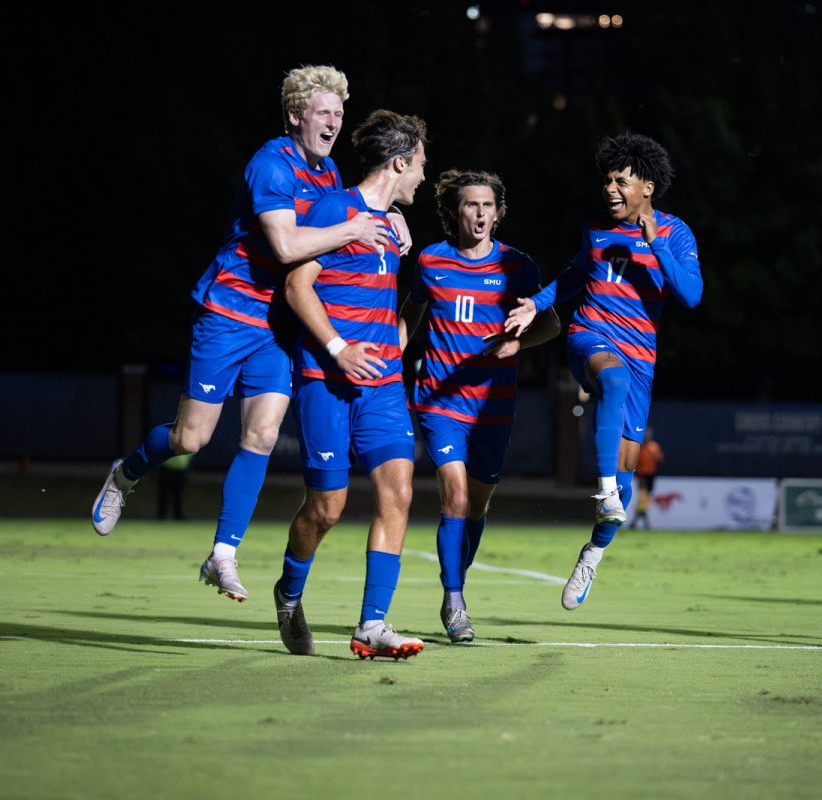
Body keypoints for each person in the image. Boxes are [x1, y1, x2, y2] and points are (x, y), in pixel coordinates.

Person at [90, 65, 411, 604]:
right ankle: (125, 474)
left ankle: (223, 553)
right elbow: (287, 247)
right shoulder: (270, 163)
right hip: (229, 311)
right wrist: (356, 226)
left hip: (277, 325)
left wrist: (389, 213)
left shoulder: (330, 173)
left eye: (338, 112)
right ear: (295, 116)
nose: (333, 121)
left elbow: (344, 221)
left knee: (261, 435)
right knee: (191, 438)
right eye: (322, 112)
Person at [504, 132, 702, 610]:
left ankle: (592, 553)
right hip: (589, 336)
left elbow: (691, 295)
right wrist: (538, 303)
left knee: (628, 482)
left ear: (647, 188)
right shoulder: (595, 226)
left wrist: (656, 247)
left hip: (642, 356)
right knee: (610, 381)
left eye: (621, 180)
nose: (610, 188)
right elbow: (576, 277)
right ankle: (604, 490)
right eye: (607, 180)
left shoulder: (675, 232)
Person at [274, 109, 429, 659]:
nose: (423, 178)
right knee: (328, 508)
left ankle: (372, 624)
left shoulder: (390, 225)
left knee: (400, 492)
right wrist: (338, 349)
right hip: (327, 380)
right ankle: (289, 595)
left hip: (383, 386)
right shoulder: (335, 209)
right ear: (399, 162)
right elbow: (297, 287)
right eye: (420, 166)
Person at [398, 169, 559, 643]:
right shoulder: (431, 261)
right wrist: (391, 358)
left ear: (498, 211)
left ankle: (456, 583)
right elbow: (411, 312)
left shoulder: (518, 266)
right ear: (455, 211)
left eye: (488, 205)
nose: (480, 213)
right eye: (471, 205)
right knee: (457, 496)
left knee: (478, 505)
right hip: (439, 401)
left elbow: (550, 324)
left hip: (493, 405)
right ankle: (454, 601)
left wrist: (518, 346)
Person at [629, 427, 663, 530]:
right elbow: (635, 463)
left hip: (651, 475)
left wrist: (656, 459)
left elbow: (660, 459)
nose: (647, 436)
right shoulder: (639, 447)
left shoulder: (654, 447)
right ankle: (640, 523)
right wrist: (639, 477)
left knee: (644, 499)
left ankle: (636, 522)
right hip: (642, 476)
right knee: (643, 497)